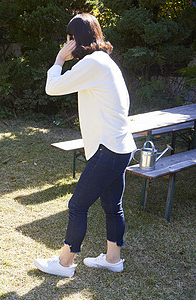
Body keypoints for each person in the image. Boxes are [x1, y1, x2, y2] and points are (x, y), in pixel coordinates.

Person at [34, 13, 137, 277]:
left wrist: (59, 60)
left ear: (75, 39)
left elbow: (52, 87)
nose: (67, 44)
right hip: (122, 147)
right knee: (113, 206)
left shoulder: (93, 63)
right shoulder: (104, 61)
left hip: (109, 150)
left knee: (77, 205)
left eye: (69, 39)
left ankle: (65, 263)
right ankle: (113, 259)